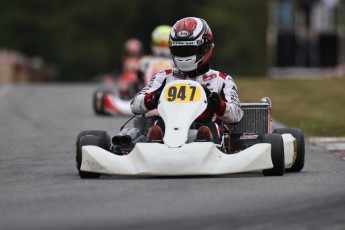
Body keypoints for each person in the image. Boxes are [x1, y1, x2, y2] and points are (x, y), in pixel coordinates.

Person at [130, 17, 243, 144]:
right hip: (169, 129)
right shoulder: (165, 77)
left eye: (189, 50)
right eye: (180, 50)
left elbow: (236, 114)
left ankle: (204, 143)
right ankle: (156, 146)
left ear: (204, 47)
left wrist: (217, 104)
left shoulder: (221, 80)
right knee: (158, 125)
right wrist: (153, 99)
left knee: (206, 129)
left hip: (208, 130)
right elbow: (134, 104)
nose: (184, 55)